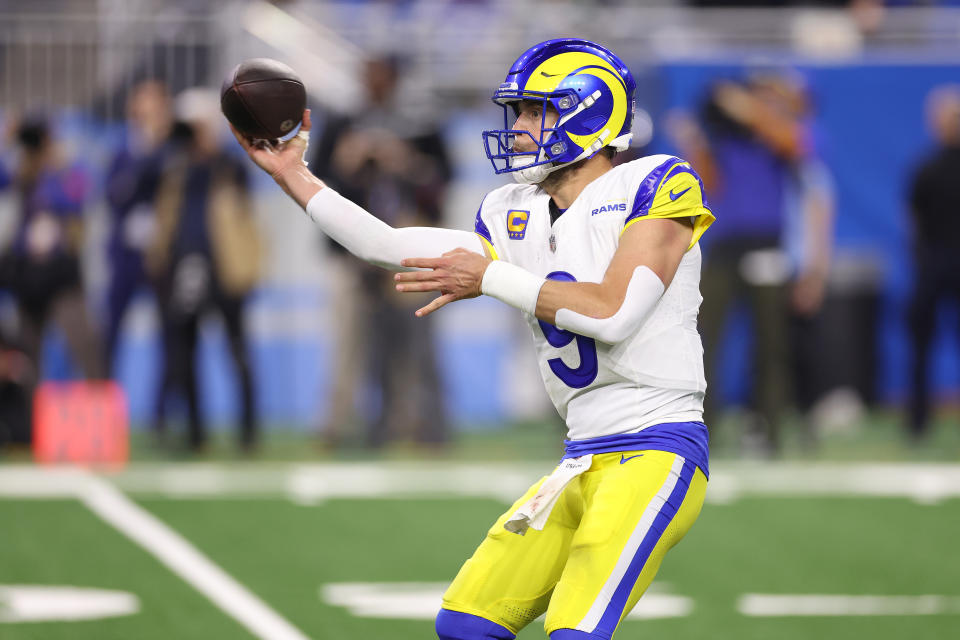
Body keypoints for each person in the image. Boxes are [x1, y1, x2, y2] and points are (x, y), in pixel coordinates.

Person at [231, 38, 713, 640]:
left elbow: (613, 312)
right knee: (465, 624)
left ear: (589, 111)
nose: (518, 130)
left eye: (537, 112)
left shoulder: (657, 183)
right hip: (581, 453)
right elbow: (384, 244)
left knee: (574, 631)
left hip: (655, 448)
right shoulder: (517, 212)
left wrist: (490, 275)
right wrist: (292, 171)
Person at [309, 56, 452, 449]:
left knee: (414, 342)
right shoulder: (344, 124)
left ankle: (412, 424)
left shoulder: (418, 124)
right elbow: (318, 186)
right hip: (352, 252)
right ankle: (337, 424)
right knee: (349, 343)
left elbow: (442, 181)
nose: (375, 83)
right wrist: (348, 160)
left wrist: (403, 159)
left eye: (382, 76)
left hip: (408, 249)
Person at [147, 88, 261, 452]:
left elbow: (242, 193)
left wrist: (209, 146)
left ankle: (247, 434)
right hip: (183, 270)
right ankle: (195, 434)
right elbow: (145, 192)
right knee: (183, 354)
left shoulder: (228, 165)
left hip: (225, 271)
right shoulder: (172, 166)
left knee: (237, 353)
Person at [103, 80, 173, 374]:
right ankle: (104, 398)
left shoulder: (172, 148)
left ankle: (162, 411)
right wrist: (145, 149)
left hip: (162, 249)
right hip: (127, 251)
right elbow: (114, 194)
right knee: (112, 326)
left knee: (169, 332)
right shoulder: (124, 148)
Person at [905, 84, 960, 441]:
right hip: (934, 264)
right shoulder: (926, 169)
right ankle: (919, 422)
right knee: (921, 344)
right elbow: (913, 218)